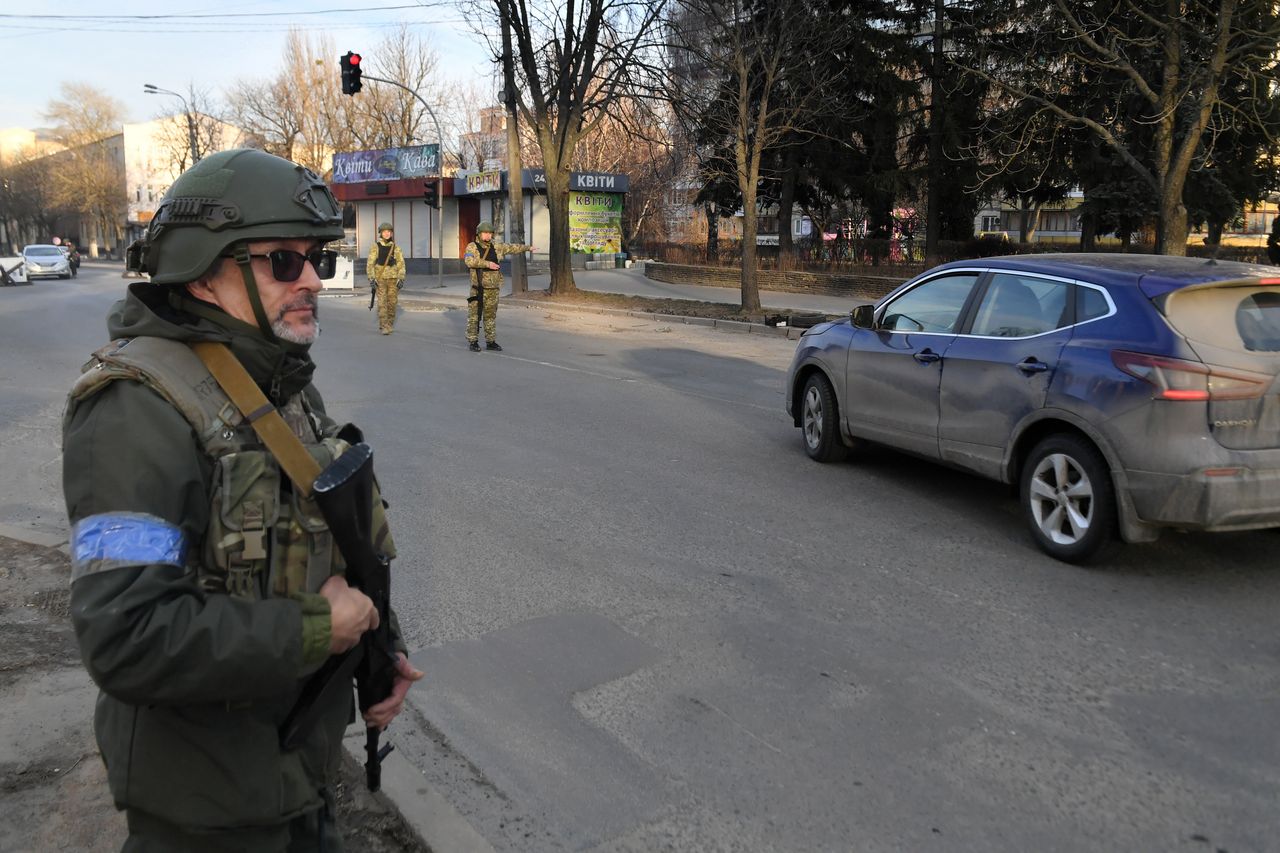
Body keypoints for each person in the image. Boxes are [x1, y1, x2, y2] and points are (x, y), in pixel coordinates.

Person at [63, 148, 424, 852]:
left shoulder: (276, 381)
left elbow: (322, 536)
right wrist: (321, 629)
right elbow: (127, 635)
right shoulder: (136, 409)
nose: (314, 278)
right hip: (207, 814)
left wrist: (381, 638)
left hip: (297, 783)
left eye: (314, 255)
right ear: (205, 269)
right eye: (282, 262)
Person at [462, 220, 534, 351]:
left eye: (490, 233)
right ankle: (473, 341)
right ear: (479, 234)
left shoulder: (496, 246)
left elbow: (511, 248)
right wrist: (487, 264)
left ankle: (490, 341)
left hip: (493, 288)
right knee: (474, 315)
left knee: (490, 316)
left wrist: (528, 248)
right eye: (485, 233)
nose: (488, 236)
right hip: (478, 288)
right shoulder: (472, 247)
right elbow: (469, 261)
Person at [366, 223, 405, 335]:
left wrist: (401, 278)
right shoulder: (375, 246)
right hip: (380, 279)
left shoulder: (396, 247)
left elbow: (401, 263)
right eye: (384, 231)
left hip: (393, 279)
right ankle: (384, 326)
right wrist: (371, 278)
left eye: (389, 231)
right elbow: (370, 263)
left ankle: (389, 324)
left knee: (392, 303)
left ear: (391, 233)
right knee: (382, 303)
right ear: (381, 233)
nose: (387, 233)